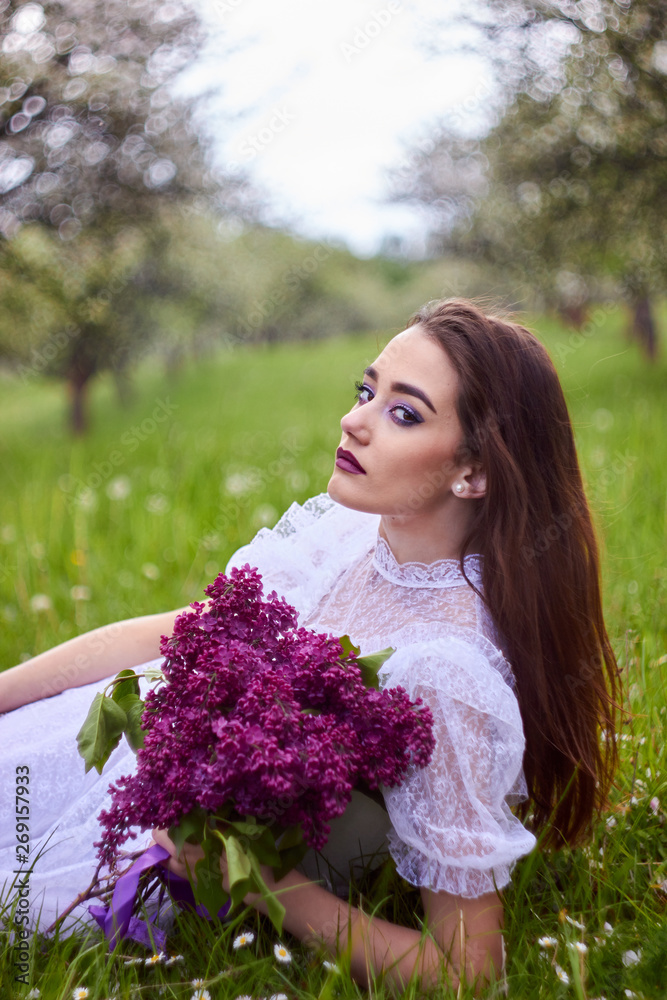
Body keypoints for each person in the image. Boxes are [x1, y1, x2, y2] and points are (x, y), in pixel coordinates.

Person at [0, 299, 619, 994]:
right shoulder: (345, 534)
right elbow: (175, 630)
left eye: (403, 412)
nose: (354, 421)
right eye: (367, 390)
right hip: (94, 748)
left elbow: (468, 972)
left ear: (473, 472)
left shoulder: (446, 671)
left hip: (138, 843)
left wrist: (264, 883)